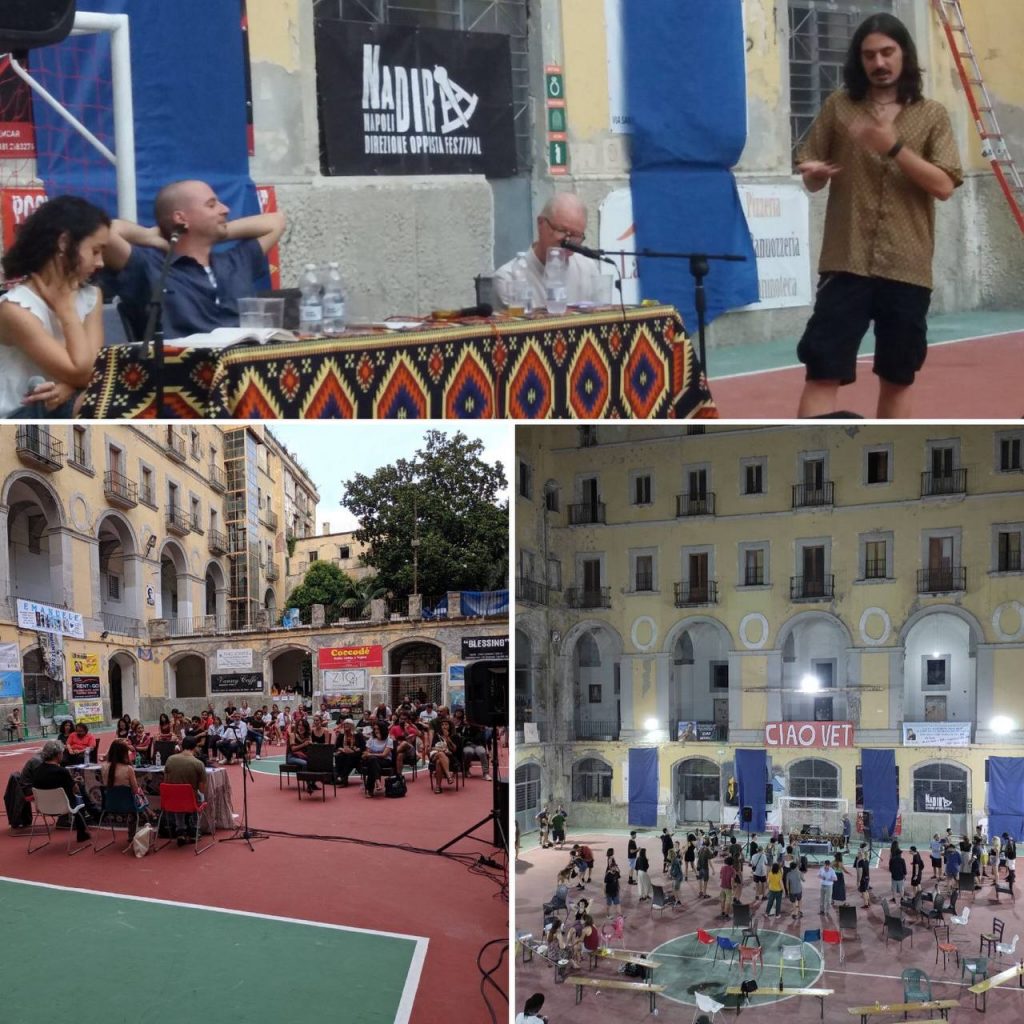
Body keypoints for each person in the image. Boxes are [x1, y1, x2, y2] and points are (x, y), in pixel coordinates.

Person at [793, 13, 963, 419]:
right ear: (859, 60)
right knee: (822, 369)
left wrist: (894, 147)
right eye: (869, 55)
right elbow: (811, 175)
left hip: (907, 268)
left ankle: (888, 457)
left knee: (898, 375)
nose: (879, 63)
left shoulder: (932, 114)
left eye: (888, 52)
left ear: (904, 54)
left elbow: (943, 186)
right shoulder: (840, 106)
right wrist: (813, 174)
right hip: (845, 262)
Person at [102, 179, 286, 340]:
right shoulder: (151, 267)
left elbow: (276, 222)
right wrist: (150, 236)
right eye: (212, 205)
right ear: (181, 217)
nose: (225, 209)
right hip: (183, 372)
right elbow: (105, 232)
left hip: (244, 369)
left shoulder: (237, 261)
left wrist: (220, 231)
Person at [0, 194, 110, 418]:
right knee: (99, 404)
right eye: (95, 251)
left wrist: (69, 388)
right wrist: (66, 309)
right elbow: (81, 372)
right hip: (21, 412)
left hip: (69, 398)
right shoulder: (15, 309)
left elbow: (95, 369)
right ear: (64, 243)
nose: (100, 263)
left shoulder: (91, 295)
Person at [492, 193, 602, 309]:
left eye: (576, 235)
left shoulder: (588, 269)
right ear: (541, 224)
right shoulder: (509, 278)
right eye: (562, 230)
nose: (568, 241)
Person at [32, 739, 90, 843]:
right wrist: (75, 782)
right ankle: (82, 832)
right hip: (63, 806)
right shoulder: (62, 771)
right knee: (80, 798)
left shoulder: (37, 770)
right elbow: (75, 789)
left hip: (43, 807)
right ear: (58, 754)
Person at [162, 736, 206, 845]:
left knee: (178, 795)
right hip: (190, 800)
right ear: (195, 747)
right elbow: (202, 789)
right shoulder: (198, 764)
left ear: (182, 746)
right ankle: (194, 829)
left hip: (172, 800)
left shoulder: (170, 759)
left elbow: (166, 781)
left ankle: (180, 830)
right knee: (199, 797)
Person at [104, 738, 155, 826]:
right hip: (128, 805)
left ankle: (147, 811)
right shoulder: (128, 769)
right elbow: (135, 790)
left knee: (135, 792)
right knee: (138, 792)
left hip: (109, 803)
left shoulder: (104, 767)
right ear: (124, 753)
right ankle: (147, 811)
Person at [854, 843, 871, 908]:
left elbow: (860, 872)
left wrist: (858, 881)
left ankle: (866, 904)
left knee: (863, 892)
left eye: (858, 854)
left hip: (863, 879)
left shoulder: (860, 862)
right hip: (867, 877)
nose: (857, 854)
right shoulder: (866, 860)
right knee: (866, 890)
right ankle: (868, 902)